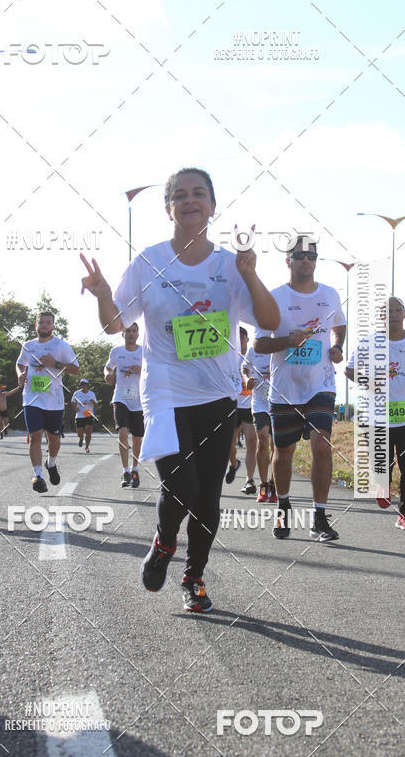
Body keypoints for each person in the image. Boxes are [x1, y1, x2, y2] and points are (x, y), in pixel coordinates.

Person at [80, 167, 279, 612]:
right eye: (181, 195)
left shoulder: (230, 264)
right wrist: (102, 294)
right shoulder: (148, 261)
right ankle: (165, 542)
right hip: (166, 394)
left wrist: (251, 273)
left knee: (208, 495)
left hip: (218, 395)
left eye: (199, 194)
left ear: (212, 204)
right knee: (182, 484)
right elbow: (116, 324)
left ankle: (195, 577)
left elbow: (268, 321)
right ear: (168, 207)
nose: (191, 201)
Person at [255, 235, 346, 542]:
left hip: (321, 384)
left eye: (311, 256)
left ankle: (319, 518)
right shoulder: (274, 297)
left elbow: (340, 325)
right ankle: (283, 507)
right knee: (284, 452)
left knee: (322, 445)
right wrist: (287, 341)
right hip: (284, 388)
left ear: (316, 262)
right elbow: (259, 342)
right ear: (288, 261)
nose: (306, 261)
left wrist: (337, 346)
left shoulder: (330, 295)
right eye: (300, 256)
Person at [346, 296, 405, 530]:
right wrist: (368, 381)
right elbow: (350, 370)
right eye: (388, 311)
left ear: (404, 314)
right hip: (376, 418)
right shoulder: (369, 342)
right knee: (382, 464)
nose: (393, 314)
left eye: (398, 310)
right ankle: (382, 485)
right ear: (381, 316)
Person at [16, 311, 80, 492]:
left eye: (48, 322)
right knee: (35, 436)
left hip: (54, 401)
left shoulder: (61, 346)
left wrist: (55, 363)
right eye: (41, 322)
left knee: (54, 439)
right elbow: (20, 363)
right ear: (35, 325)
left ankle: (51, 463)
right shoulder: (28, 346)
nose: (44, 325)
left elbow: (76, 369)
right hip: (32, 398)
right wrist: (21, 374)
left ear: (53, 326)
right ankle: (38, 476)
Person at [104, 322, 144, 488]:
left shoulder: (144, 351)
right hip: (121, 397)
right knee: (122, 432)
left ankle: (135, 469)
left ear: (138, 334)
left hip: (139, 400)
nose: (131, 334)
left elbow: (154, 371)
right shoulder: (116, 352)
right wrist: (108, 375)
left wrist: (141, 370)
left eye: (134, 331)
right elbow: (108, 367)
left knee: (136, 438)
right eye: (128, 331)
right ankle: (125, 471)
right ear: (123, 334)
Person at [242, 340, 276, 503]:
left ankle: (273, 484)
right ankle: (263, 486)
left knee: (277, 445)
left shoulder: (280, 344)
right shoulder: (253, 349)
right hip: (259, 402)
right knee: (262, 441)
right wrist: (247, 377)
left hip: (279, 400)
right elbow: (245, 367)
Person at [226, 327, 257, 495]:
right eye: (236, 338)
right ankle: (234, 464)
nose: (239, 341)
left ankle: (249, 479)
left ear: (247, 339)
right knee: (230, 445)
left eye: (242, 338)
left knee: (252, 442)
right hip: (233, 405)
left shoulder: (253, 355)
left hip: (250, 405)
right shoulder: (230, 357)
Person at [71, 380, 98, 454]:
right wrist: (75, 407)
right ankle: (81, 437)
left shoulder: (92, 394)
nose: (83, 386)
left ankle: (87, 447)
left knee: (88, 430)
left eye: (85, 384)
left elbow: (96, 405)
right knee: (79, 432)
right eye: (82, 384)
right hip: (79, 415)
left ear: (87, 385)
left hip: (89, 414)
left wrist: (93, 402)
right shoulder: (77, 393)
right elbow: (73, 402)